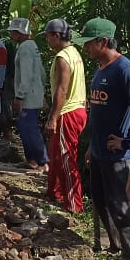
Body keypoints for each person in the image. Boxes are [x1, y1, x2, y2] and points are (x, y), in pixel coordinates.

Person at [74, 18, 130, 258]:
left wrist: (125, 142)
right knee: (102, 201)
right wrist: (92, 145)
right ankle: (114, 245)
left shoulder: (126, 70)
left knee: (123, 206)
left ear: (103, 42)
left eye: (89, 43)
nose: (86, 48)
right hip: (100, 150)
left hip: (120, 156)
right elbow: (99, 112)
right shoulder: (101, 68)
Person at [42, 19, 87, 214]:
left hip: (67, 112)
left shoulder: (63, 57)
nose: (47, 41)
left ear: (57, 35)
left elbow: (62, 89)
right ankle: (55, 192)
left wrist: (53, 117)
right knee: (55, 153)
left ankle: (74, 203)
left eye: (48, 36)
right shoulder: (74, 53)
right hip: (76, 109)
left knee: (67, 157)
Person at [10, 17, 49, 172]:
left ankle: (42, 161)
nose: (11, 35)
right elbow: (41, 73)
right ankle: (32, 159)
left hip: (28, 97)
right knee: (25, 127)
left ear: (19, 33)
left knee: (29, 128)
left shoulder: (25, 48)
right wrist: (42, 92)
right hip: (34, 94)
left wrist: (19, 96)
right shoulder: (32, 46)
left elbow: (26, 75)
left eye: (13, 32)